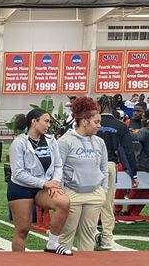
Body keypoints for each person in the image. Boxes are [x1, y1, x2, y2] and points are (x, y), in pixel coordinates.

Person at [7, 108, 72, 255]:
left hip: (44, 187)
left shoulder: (51, 140)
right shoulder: (19, 143)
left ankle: (53, 243)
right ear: (34, 122)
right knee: (22, 229)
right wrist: (43, 183)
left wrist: (54, 182)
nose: (48, 125)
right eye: (46, 121)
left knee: (63, 202)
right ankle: (18, 264)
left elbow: (58, 165)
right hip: (21, 188)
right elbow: (17, 173)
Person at [58, 97, 107, 252]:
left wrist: (103, 191)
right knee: (66, 234)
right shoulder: (65, 141)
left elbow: (103, 168)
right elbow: (58, 169)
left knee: (89, 235)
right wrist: (62, 194)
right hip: (72, 194)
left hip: (95, 195)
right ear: (85, 121)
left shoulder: (99, 142)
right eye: (96, 122)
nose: (99, 126)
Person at [97, 95, 139, 250]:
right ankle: (107, 238)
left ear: (99, 106)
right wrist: (133, 174)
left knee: (90, 202)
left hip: (91, 166)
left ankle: (91, 234)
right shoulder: (120, 126)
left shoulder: (91, 124)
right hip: (109, 166)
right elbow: (127, 151)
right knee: (108, 204)